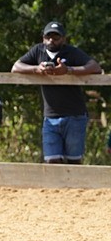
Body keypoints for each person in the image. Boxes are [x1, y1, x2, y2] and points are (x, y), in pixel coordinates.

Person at [11, 21, 102, 164]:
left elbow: (95, 67)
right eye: (48, 37)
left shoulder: (71, 52)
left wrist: (69, 70)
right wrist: (36, 69)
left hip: (75, 115)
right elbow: (16, 67)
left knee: (74, 162)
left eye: (56, 37)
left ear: (64, 39)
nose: (51, 40)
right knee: (52, 161)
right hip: (50, 117)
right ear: (43, 38)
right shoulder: (38, 51)